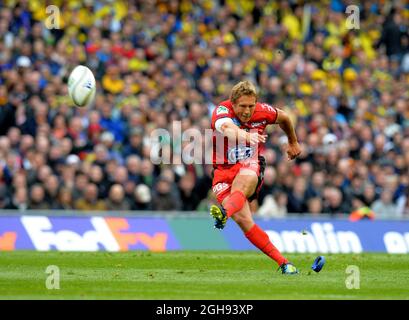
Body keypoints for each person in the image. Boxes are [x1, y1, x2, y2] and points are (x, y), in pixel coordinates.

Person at [209, 81, 301, 274]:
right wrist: (245, 135)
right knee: (245, 222)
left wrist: (293, 141)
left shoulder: (263, 111)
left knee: (247, 176)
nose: (247, 111)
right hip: (222, 172)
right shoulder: (221, 111)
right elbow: (227, 128)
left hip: (249, 164)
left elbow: (284, 117)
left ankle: (224, 213)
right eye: (242, 106)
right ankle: (284, 263)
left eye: (251, 106)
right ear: (233, 104)